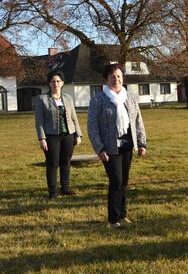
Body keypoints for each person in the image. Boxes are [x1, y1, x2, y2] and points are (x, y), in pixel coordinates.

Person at [88, 64, 147, 228]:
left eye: (119, 76)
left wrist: (141, 143)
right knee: (116, 180)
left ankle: (123, 214)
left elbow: (138, 122)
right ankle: (113, 219)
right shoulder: (98, 100)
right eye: (112, 77)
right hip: (109, 148)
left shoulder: (131, 97)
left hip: (127, 145)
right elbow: (92, 127)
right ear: (106, 79)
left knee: (124, 182)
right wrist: (99, 148)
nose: (116, 80)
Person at [35, 70, 83, 199]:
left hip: (68, 134)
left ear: (62, 83)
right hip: (51, 136)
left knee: (66, 162)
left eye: (58, 81)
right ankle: (52, 192)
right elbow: (39, 121)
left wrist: (78, 135)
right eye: (53, 81)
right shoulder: (42, 99)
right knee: (52, 163)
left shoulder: (68, 98)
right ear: (49, 83)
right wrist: (42, 138)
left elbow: (74, 118)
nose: (55, 83)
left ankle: (65, 188)